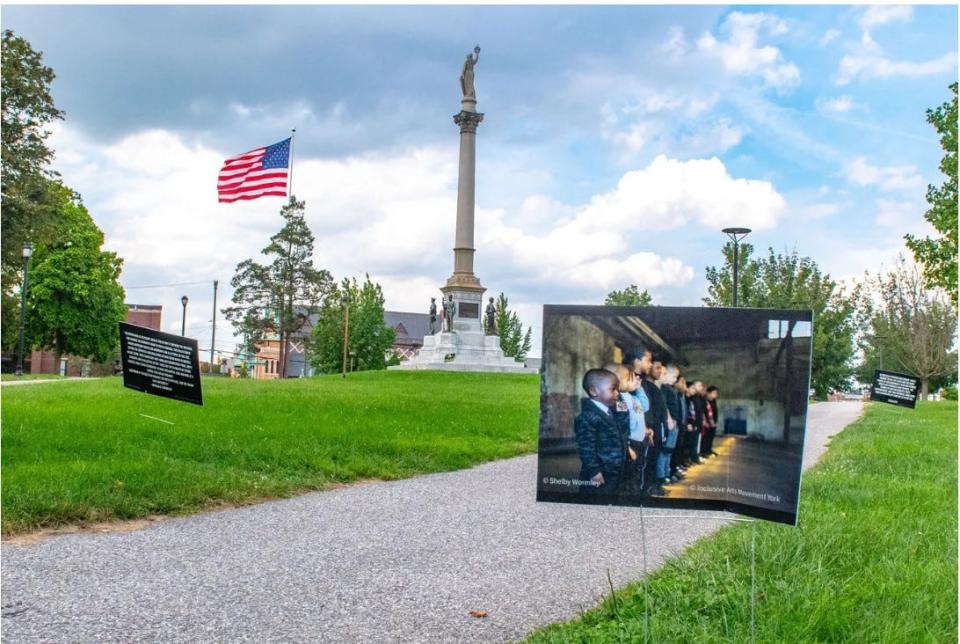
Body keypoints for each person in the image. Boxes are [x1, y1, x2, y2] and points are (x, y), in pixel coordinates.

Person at [573, 369, 629, 495]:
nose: (617, 393)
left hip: (613, 471)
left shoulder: (610, 411)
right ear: (594, 391)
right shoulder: (588, 417)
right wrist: (594, 471)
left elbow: (624, 419)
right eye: (613, 389)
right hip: (599, 474)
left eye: (618, 389)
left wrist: (618, 398)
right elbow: (586, 448)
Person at [641, 359, 668, 497]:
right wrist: (648, 427)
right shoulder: (645, 386)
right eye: (657, 368)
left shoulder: (655, 387)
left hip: (658, 428)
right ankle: (646, 488)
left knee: (654, 458)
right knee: (648, 460)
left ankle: (652, 485)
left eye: (661, 369)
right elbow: (646, 410)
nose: (659, 371)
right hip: (651, 430)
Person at [703, 385, 720, 457]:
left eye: (716, 393)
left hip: (713, 423)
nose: (715, 395)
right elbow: (707, 413)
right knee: (706, 438)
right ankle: (704, 451)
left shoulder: (713, 401)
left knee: (711, 438)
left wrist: (715, 422)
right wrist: (709, 421)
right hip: (707, 423)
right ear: (708, 393)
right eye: (714, 393)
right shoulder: (705, 401)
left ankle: (709, 450)